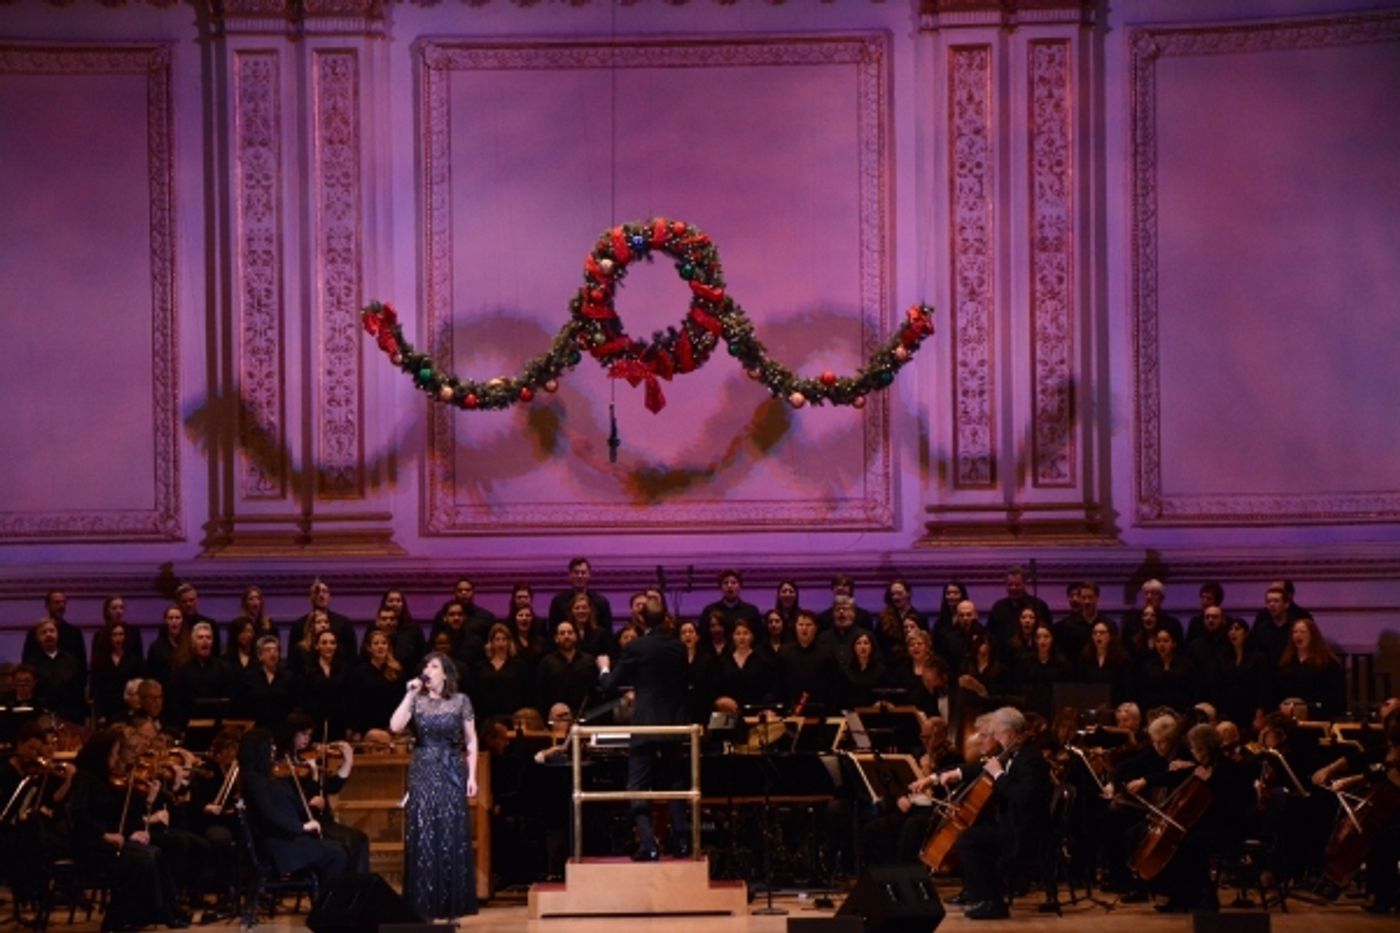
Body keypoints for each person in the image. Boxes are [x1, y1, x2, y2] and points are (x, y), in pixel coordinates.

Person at [935, 706, 1052, 919]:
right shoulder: (1015, 753)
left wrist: (998, 775)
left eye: (997, 733)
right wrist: (955, 772)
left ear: (1009, 732)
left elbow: (1022, 798)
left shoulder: (1030, 759)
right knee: (974, 834)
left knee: (969, 840)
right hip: (1013, 824)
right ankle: (984, 896)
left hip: (1026, 830)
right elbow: (982, 769)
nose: (996, 738)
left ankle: (992, 903)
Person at [597, 606, 691, 860]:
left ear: (640, 620)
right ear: (666, 620)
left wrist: (604, 667)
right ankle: (682, 841)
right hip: (673, 724)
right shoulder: (678, 647)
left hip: (645, 723)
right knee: (675, 783)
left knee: (637, 784)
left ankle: (648, 844)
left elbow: (608, 686)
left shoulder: (636, 647)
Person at [390, 652, 479, 920]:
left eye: (434, 666)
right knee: (424, 834)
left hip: (451, 768)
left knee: (451, 834)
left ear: (445, 673)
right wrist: (409, 694)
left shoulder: (461, 701)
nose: (427, 670)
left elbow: (472, 741)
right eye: (425, 665)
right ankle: (423, 907)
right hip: (423, 768)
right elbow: (395, 726)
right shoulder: (417, 700)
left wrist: (472, 776)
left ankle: (452, 909)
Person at [237, 727, 346, 888]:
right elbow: (270, 814)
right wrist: (301, 826)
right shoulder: (254, 780)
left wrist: (311, 797)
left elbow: (292, 805)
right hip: (279, 846)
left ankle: (334, 900)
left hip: (288, 839)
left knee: (340, 848)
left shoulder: (267, 778)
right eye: (269, 744)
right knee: (337, 854)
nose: (273, 748)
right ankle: (329, 903)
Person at [547, 557, 614, 635]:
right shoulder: (558, 602)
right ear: (570, 575)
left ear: (589, 575)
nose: (580, 576)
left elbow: (607, 633)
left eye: (583, 572)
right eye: (576, 572)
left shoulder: (601, 602)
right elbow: (552, 632)